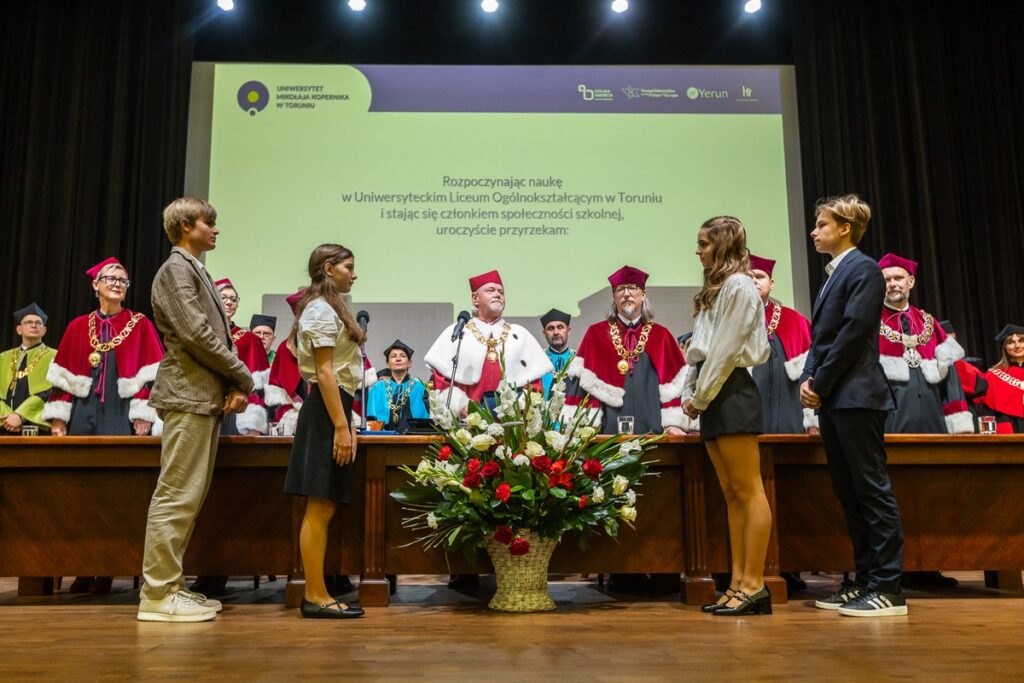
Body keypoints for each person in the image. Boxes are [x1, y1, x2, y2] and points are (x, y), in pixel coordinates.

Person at [138, 197, 254, 622]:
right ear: (186, 225)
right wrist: (243, 375)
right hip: (187, 394)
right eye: (210, 223)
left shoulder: (191, 269)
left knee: (188, 495)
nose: (216, 230)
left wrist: (230, 381)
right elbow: (196, 334)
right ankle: (157, 594)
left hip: (200, 395)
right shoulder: (175, 270)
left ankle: (171, 584)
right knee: (175, 495)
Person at [799, 194, 907, 617]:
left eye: (821, 224)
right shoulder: (834, 273)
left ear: (845, 228)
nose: (814, 231)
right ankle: (863, 580)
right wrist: (810, 378)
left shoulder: (863, 269)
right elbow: (821, 337)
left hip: (857, 396)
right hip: (835, 397)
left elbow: (852, 334)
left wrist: (820, 384)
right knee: (849, 492)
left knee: (871, 490)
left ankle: (889, 588)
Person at [42, 257, 164, 595]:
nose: (117, 284)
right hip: (84, 412)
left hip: (121, 411)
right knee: (81, 489)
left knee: (116, 490)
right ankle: (83, 564)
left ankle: (110, 565)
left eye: (123, 280)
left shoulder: (140, 325)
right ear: (95, 285)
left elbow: (150, 376)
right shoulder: (78, 326)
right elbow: (63, 380)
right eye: (110, 279)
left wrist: (143, 413)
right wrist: (57, 418)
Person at [680, 217, 772, 617]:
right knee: (732, 495)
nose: (697, 250)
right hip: (715, 391)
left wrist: (699, 396)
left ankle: (755, 585)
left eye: (703, 243)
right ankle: (737, 583)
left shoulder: (739, 286)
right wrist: (691, 393)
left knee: (749, 490)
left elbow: (727, 349)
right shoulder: (714, 290)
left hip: (730, 389)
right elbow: (701, 351)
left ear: (722, 244)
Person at [283, 243, 366, 619]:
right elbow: (325, 373)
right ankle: (315, 595)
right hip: (323, 412)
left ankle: (319, 591)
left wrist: (347, 421)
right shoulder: (318, 310)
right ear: (329, 268)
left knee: (326, 506)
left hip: (335, 409)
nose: (354, 273)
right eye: (349, 267)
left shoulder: (331, 307)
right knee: (318, 507)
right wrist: (340, 426)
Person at [565, 266, 688, 435]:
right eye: (620, 289)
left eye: (632, 288)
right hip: (606, 430)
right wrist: (585, 427)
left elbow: (675, 384)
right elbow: (582, 385)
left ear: (643, 294)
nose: (626, 293)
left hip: (654, 429)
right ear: (614, 297)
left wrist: (675, 423)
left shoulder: (662, 335)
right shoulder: (596, 334)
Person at [424, 270, 552, 418]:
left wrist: (522, 406)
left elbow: (534, 384)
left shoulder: (520, 334)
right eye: (490, 290)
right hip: (467, 424)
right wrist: (462, 407)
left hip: (513, 425)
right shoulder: (458, 333)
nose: (498, 295)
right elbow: (442, 382)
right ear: (475, 298)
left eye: (501, 292)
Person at [876, 253, 973, 434]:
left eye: (898, 278)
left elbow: (950, 379)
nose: (892, 284)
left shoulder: (930, 323)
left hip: (934, 419)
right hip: (890, 421)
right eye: (886, 280)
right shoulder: (870, 323)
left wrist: (959, 421)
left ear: (910, 281)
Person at [747, 255, 818, 435]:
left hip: (791, 413)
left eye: (759, 276)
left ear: (771, 284)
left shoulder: (795, 321)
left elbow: (813, 372)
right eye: (748, 277)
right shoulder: (730, 320)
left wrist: (813, 421)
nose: (754, 281)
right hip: (747, 413)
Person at [214, 278, 270, 436]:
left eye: (233, 299)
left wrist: (254, 423)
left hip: (239, 413)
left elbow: (259, 383)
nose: (229, 302)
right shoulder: (204, 335)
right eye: (223, 297)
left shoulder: (249, 339)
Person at [1, 304, 56, 434]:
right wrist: (8, 417)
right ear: (19, 329)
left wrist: (21, 415)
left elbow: (53, 391)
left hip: (36, 425)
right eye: (28, 322)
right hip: (4, 424)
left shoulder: (56, 356)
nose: (34, 325)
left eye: (38, 323)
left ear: (44, 330)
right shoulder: (3, 357)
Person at [365, 339, 428, 432]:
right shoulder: (377, 388)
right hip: (383, 439)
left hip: (413, 438)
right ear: (388, 364)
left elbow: (425, 418)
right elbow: (371, 420)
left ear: (409, 363)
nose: (398, 359)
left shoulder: (420, 387)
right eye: (393, 356)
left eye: (403, 356)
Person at [978, 325, 1024, 433]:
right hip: (1010, 430)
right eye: (1011, 342)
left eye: (1021, 341)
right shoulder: (992, 375)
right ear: (1005, 347)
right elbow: (988, 410)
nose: (1017, 346)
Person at [538, 308, 575, 398]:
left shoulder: (579, 359)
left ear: (568, 330)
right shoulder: (537, 360)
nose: (556, 332)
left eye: (560, 327)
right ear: (544, 333)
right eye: (550, 328)